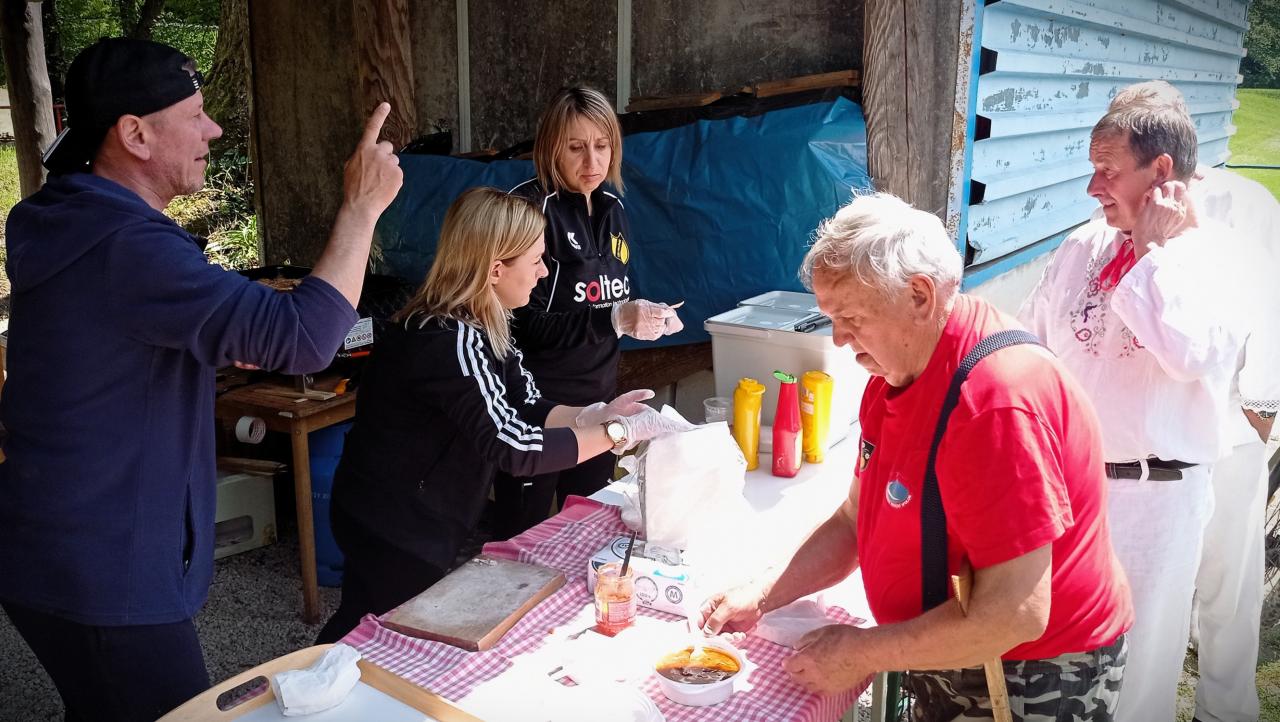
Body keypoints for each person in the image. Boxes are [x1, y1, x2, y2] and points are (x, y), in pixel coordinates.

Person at [0, 38, 402, 721]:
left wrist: (214, 341)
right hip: (102, 568)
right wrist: (361, 209)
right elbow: (306, 339)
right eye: (194, 114)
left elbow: (111, 348)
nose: (213, 130)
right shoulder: (128, 246)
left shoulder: (73, 220)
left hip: (56, 544)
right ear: (135, 134)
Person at [699, 192, 1133, 720]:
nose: (839, 340)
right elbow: (854, 520)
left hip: (1030, 673)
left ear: (920, 296)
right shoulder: (895, 372)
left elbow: (1014, 615)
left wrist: (864, 652)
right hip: (955, 644)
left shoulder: (995, 403)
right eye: (831, 318)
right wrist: (764, 594)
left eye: (851, 317)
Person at [315, 187, 681, 644]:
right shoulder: (447, 338)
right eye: (537, 261)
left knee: (365, 623)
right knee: (378, 635)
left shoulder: (487, 321)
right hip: (394, 522)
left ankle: (313, 679)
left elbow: (528, 405)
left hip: (414, 511)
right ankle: (305, 683)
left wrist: (597, 414)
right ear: (495, 270)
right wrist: (616, 432)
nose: (543, 272)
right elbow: (513, 446)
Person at [1019, 97, 1249, 721]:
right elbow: (1031, 345)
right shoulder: (1083, 245)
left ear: (1161, 171)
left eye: (1108, 170)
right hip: (1070, 491)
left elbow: (1188, 354)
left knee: (1138, 672)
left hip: (1156, 500)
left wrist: (1151, 251)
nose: (1092, 186)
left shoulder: (1215, 256)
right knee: (1064, 665)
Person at [1101, 81, 1280, 722]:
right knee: (1155, 588)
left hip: (1230, 426)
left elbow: (1270, 305)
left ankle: (1226, 707)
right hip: (1160, 437)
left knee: (1229, 583)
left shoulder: (1246, 205)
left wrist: (1259, 416)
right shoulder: (1119, 215)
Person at [495, 86, 682, 538]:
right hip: (537, 407)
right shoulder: (527, 210)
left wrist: (644, 315)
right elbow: (518, 326)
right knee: (520, 534)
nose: (592, 162)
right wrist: (614, 318)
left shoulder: (613, 209)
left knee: (588, 526)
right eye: (576, 148)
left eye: (602, 146)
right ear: (550, 148)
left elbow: (607, 296)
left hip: (600, 399)